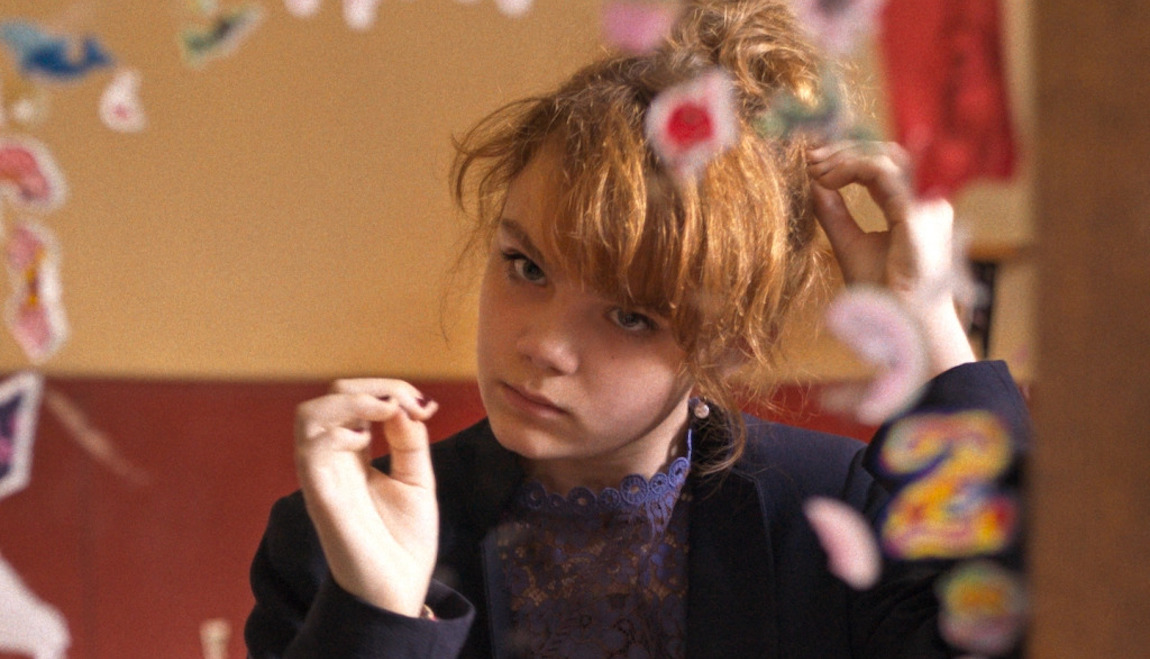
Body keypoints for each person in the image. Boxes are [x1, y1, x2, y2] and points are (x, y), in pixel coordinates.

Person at [244, 1, 1030, 657]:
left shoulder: (837, 518)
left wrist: (929, 327)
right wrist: (381, 619)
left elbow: (1040, 626)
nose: (543, 345)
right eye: (526, 266)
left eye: (629, 315)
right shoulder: (336, 539)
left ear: (731, 342)